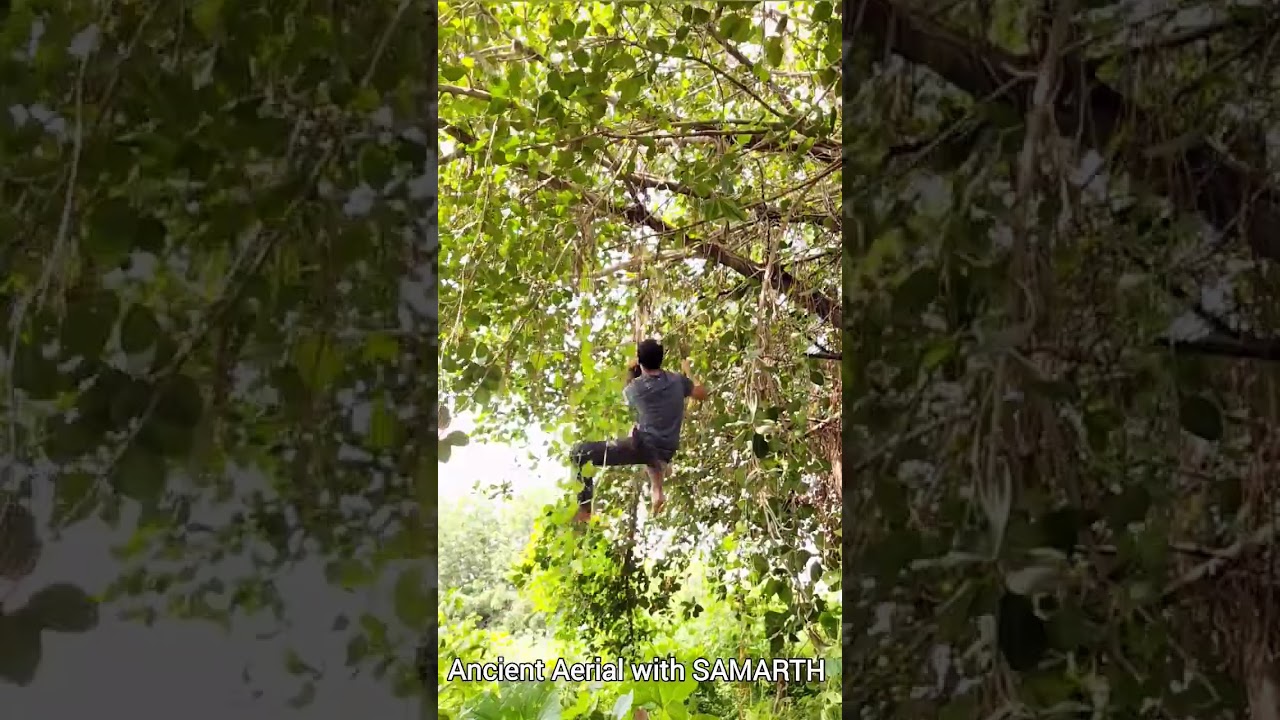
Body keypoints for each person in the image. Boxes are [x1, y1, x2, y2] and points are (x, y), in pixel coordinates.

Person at [569, 338, 708, 523]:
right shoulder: (678, 381)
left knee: (579, 453)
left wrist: (630, 369)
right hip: (667, 448)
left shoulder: (635, 389)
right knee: (652, 449)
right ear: (661, 359)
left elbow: (626, 392)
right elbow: (702, 394)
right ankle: (657, 490)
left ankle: (585, 511)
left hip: (644, 446)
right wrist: (689, 372)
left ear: (640, 362)